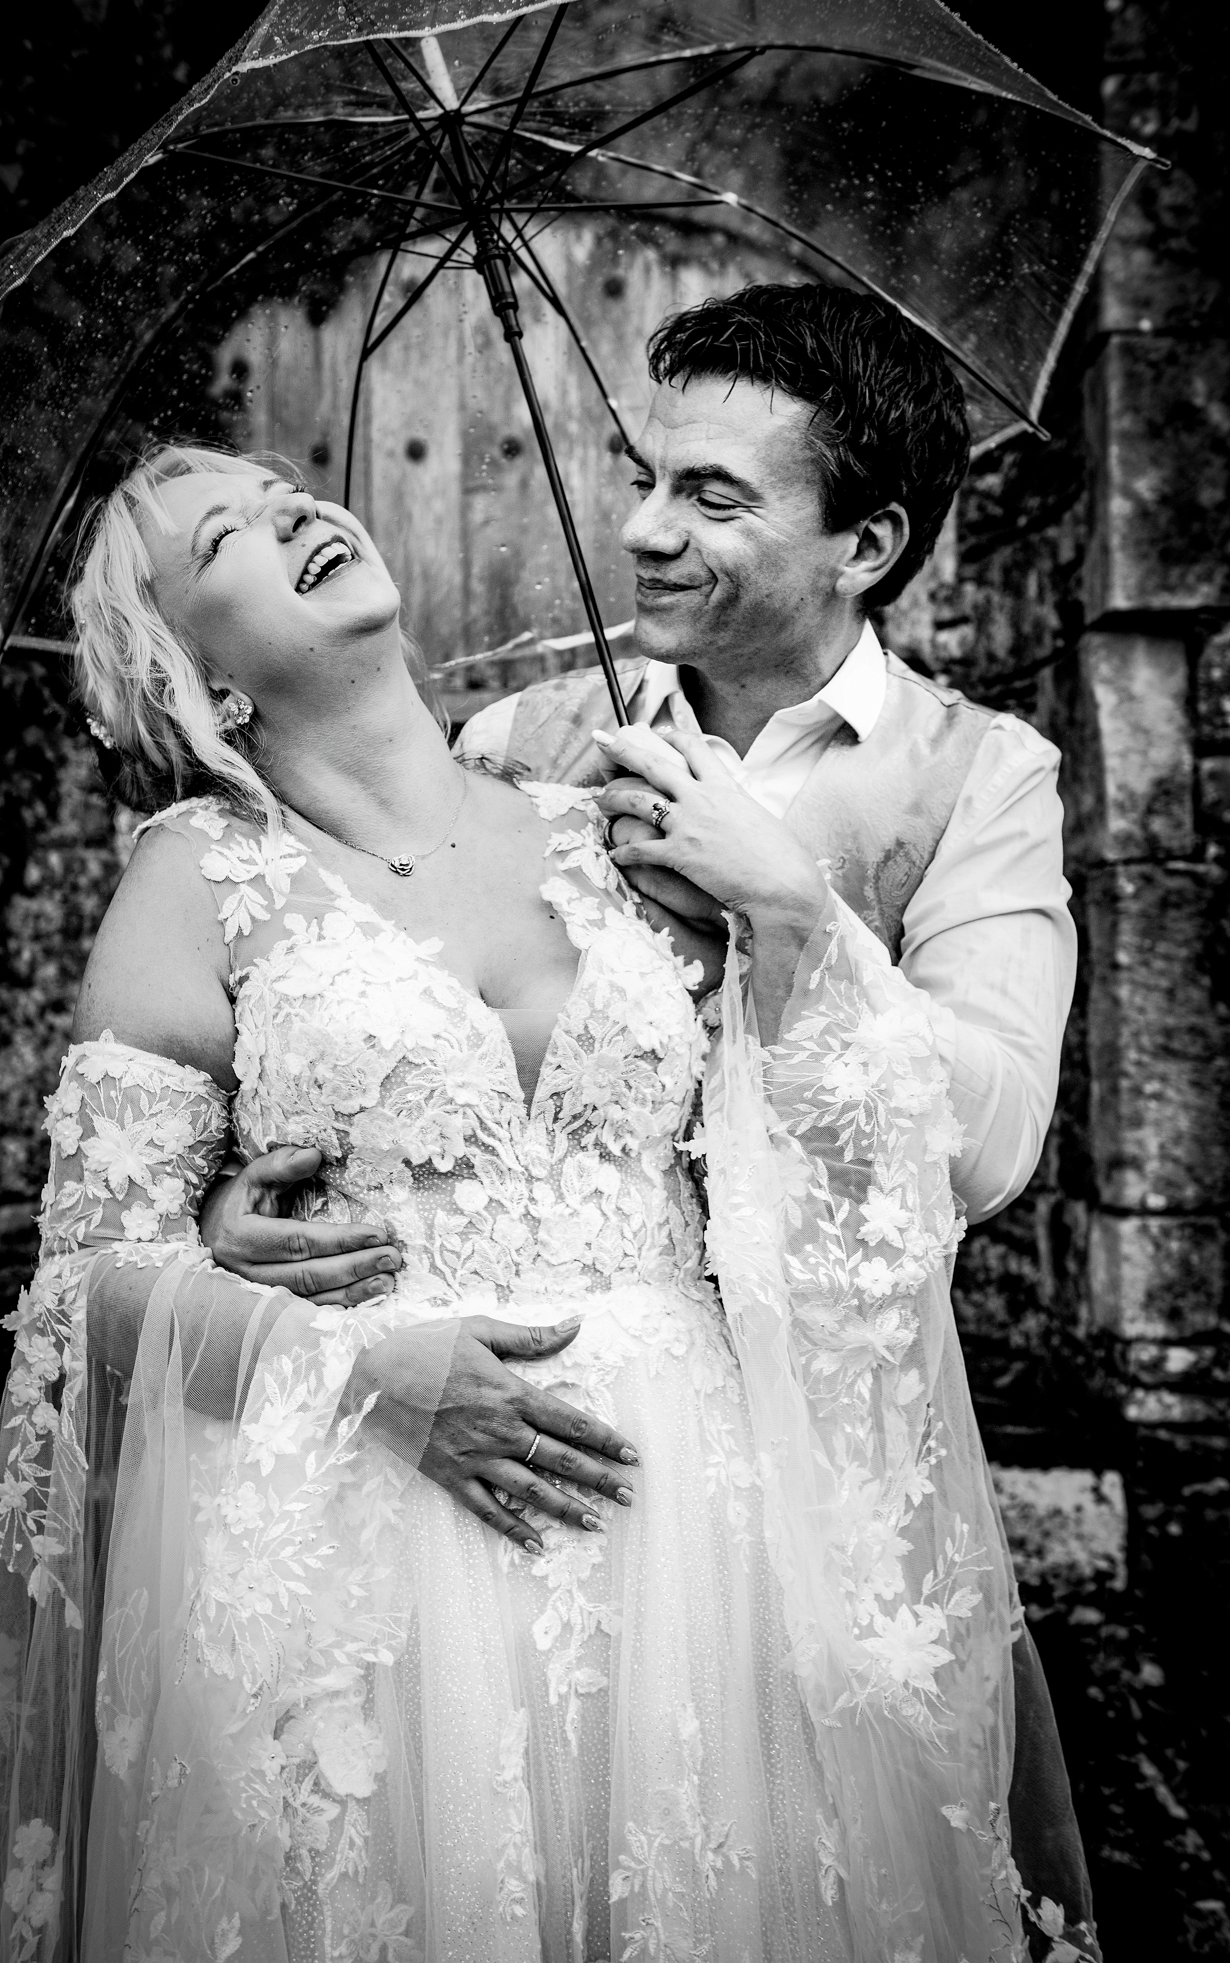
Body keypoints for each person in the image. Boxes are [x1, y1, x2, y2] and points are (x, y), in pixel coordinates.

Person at [0, 437, 1057, 1963]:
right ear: (201, 678)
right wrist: (338, 1360)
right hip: (377, 1536)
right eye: (228, 540)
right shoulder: (195, 879)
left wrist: (775, 913)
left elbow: (817, 1162)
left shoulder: (614, 831)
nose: (301, 514)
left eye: (288, 494)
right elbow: (80, 1288)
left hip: (690, 1518)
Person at [205, 284, 1096, 1958]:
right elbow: (392, 1058)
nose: (639, 528)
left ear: (866, 542)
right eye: (640, 475)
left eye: (712, 495)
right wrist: (235, 1230)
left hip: (823, 1471)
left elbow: (987, 1144)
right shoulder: (523, 737)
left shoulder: (976, 779)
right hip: (546, 1459)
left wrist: (794, 916)